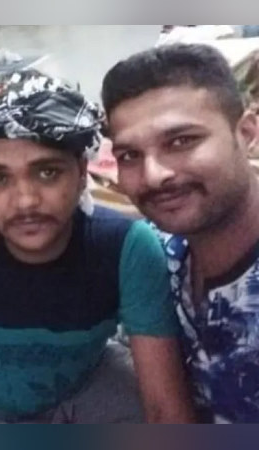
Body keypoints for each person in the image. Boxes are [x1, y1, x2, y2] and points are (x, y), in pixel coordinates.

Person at [0, 71, 196, 423]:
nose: (25, 201)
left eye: (47, 173)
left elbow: (165, 405)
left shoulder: (125, 248)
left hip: (89, 382)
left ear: (81, 172)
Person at [101, 43, 259, 423]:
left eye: (181, 141)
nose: (155, 175)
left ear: (246, 133)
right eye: (130, 156)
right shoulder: (166, 255)